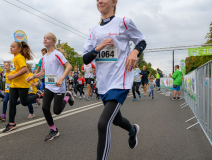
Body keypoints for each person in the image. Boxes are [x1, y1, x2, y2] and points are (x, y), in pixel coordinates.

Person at [82, 0, 146, 159]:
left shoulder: (124, 22)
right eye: (97, 0)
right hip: (103, 83)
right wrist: (98, 47)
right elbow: (85, 59)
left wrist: (134, 52)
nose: (99, 1)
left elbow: (142, 41)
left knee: (103, 123)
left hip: (120, 81)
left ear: (114, 2)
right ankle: (132, 130)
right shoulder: (93, 31)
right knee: (116, 120)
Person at [27, 33, 74, 141]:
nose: (45, 39)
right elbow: (43, 72)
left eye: (48, 38)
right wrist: (33, 76)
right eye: (44, 38)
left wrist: (61, 78)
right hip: (49, 86)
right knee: (44, 108)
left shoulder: (57, 54)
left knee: (57, 111)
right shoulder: (44, 58)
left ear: (53, 42)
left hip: (58, 86)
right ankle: (53, 130)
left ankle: (67, 96)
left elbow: (69, 66)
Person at [2, 41, 43, 133]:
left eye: (13, 46)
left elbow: (24, 69)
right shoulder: (14, 58)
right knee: (12, 103)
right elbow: (15, 70)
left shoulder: (20, 57)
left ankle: (38, 95)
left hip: (22, 85)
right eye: (10, 46)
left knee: (24, 102)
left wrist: (12, 76)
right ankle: (11, 123)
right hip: (14, 85)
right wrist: (10, 75)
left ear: (19, 49)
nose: (10, 48)